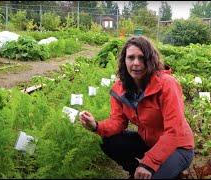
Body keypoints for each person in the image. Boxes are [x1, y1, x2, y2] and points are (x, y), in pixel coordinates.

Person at [79, 36, 194, 179]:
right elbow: (118, 122)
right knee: (107, 140)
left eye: (142, 58)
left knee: (154, 175)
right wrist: (96, 126)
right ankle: (135, 172)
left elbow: (174, 131)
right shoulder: (120, 88)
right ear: (124, 60)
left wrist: (148, 164)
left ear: (150, 60)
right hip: (148, 142)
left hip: (177, 147)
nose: (136, 63)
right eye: (131, 57)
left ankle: (170, 171)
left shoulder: (167, 85)